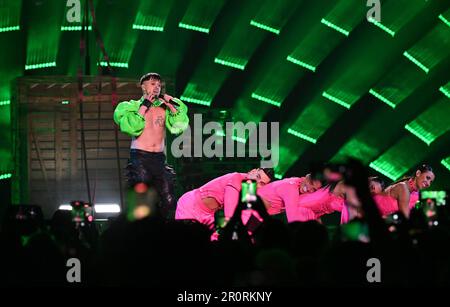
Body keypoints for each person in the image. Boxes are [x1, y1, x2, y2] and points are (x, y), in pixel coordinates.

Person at [113, 72, 189, 219]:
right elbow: (130, 127)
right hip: (140, 157)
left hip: (159, 159)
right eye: (153, 84)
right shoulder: (131, 106)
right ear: (143, 86)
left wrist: (172, 106)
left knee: (169, 199)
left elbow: (179, 126)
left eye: (159, 85)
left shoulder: (164, 108)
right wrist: (144, 107)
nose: (157, 88)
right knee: (142, 200)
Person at [175, 168, 274, 229]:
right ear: (252, 171)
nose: (256, 182)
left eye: (261, 183)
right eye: (257, 176)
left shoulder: (249, 188)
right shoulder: (236, 179)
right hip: (190, 205)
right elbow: (230, 216)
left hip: (207, 215)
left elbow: (247, 214)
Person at [256, 174, 324, 223]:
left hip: (257, 213)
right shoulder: (291, 189)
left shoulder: (299, 182)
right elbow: (293, 220)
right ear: (306, 177)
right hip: (252, 210)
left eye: (314, 189)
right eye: (310, 183)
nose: (309, 188)